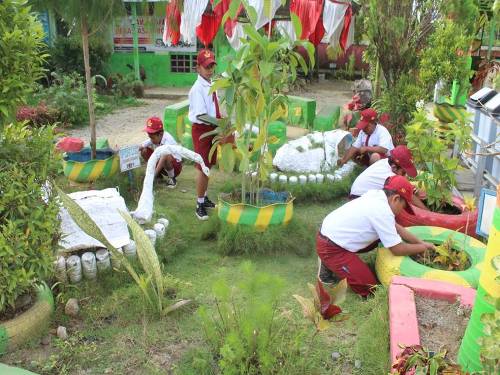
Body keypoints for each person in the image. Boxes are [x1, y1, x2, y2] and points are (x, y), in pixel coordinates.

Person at [316, 175, 435, 297]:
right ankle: (327, 262)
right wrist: (424, 248)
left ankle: (334, 260)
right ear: (395, 198)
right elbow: (397, 249)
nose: (402, 211)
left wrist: (419, 242)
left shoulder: (378, 195)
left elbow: (395, 227)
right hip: (331, 247)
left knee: (382, 236)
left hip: (332, 233)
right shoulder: (382, 211)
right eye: (403, 207)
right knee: (370, 288)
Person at [189, 49, 220, 221]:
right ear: (198, 68)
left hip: (212, 129)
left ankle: (204, 197)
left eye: (212, 66)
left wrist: (221, 122)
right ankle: (199, 204)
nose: (209, 70)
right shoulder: (197, 89)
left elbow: (215, 109)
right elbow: (201, 115)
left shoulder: (210, 84)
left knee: (209, 165)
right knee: (203, 167)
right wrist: (220, 124)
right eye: (206, 67)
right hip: (202, 130)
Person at [349, 145, 427, 210]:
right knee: (398, 206)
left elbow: (408, 187)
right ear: (394, 167)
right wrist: (428, 212)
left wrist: (413, 189)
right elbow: (410, 196)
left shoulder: (385, 162)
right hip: (360, 201)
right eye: (403, 172)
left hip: (360, 196)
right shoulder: (389, 175)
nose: (404, 176)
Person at [139, 116, 182, 188]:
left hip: (175, 167)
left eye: (152, 137)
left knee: (165, 155)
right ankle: (159, 176)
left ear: (161, 134)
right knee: (144, 150)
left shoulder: (167, 140)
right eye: (149, 137)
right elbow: (141, 146)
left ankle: (172, 178)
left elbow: (163, 157)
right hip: (163, 165)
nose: (151, 140)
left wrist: (152, 176)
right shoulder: (155, 137)